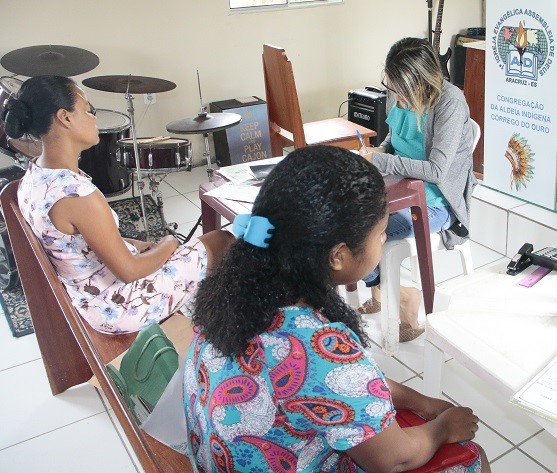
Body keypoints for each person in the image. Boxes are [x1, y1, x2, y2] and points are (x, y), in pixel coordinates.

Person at [184, 145, 489, 472]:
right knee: (471, 457)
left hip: (220, 459)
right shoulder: (321, 349)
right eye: (381, 233)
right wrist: (443, 428)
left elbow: (341, 382)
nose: (384, 240)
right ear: (338, 255)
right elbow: (394, 458)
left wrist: (421, 402)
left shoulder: (233, 290)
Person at [2, 75, 233, 334]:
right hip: (117, 307)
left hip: (88, 295)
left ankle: (209, 313)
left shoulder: (33, 177)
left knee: (198, 250)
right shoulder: (77, 195)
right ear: (65, 118)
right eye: (88, 110)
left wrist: (132, 244)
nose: (94, 118)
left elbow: (77, 244)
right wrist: (169, 242)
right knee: (223, 241)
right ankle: (228, 329)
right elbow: (129, 271)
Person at [358, 37, 477, 342]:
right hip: (399, 189)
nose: (392, 94)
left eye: (397, 88)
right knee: (341, 221)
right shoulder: (399, 96)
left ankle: (406, 298)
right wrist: (375, 154)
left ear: (419, 84)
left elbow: (437, 171)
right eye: (390, 85)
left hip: (437, 203)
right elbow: (393, 141)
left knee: (363, 235)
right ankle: (386, 291)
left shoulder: (450, 102)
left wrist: (382, 162)